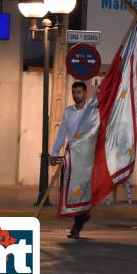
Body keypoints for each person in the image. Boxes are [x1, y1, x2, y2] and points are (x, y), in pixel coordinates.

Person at [50, 81, 91, 239]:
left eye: (79, 92)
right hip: (71, 158)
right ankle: (83, 215)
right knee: (69, 191)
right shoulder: (68, 111)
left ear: (85, 93)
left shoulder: (92, 111)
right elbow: (62, 134)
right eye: (74, 93)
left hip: (87, 158)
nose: (76, 96)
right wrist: (54, 153)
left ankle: (77, 226)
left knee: (82, 193)